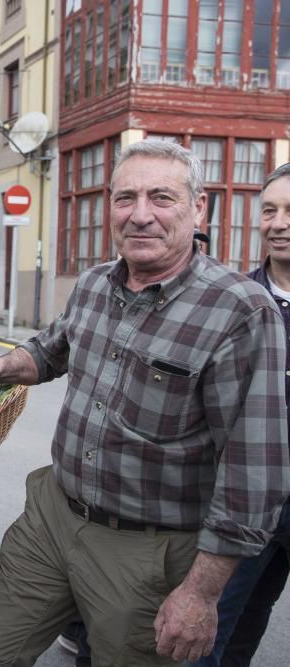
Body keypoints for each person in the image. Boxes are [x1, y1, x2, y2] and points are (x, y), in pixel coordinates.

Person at [0, 140, 290, 666]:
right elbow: (50, 350)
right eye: (124, 198)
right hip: (53, 518)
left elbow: (254, 473)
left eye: (161, 198)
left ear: (198, 208)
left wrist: (201, 593)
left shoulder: (240, 312)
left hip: (149, 551)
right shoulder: (93, 284)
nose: (140, 215)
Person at [191, 163, 290, 667]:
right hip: (247, 504)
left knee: (256, 618)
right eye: (270, 210)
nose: (279, 222)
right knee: (215, 633)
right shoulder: (236, 302)